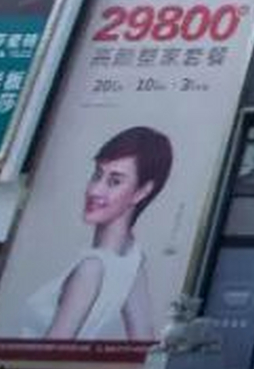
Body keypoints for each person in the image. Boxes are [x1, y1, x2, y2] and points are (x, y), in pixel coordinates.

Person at [24, 126, 172, 340]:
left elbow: (52, 349)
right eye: (97, 175)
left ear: (142, 191)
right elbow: (144, 346)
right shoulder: (132, 259)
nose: (95, 191)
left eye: (114, 181)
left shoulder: (91, 268)